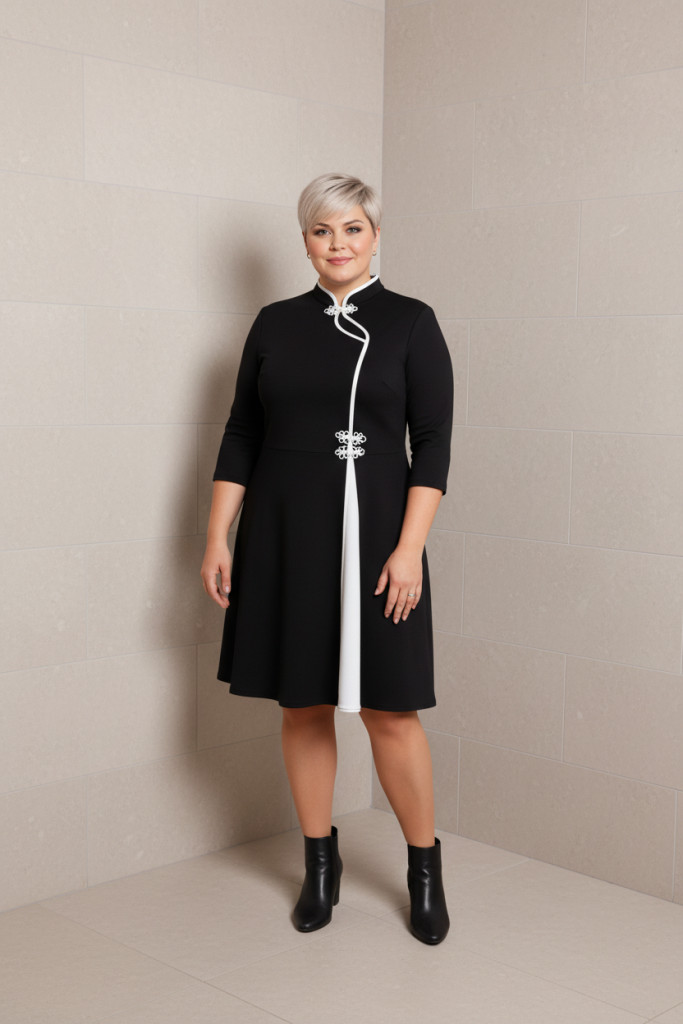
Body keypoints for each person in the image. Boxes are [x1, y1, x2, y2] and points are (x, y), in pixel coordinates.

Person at [200, 172, 454, 945]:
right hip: (286, 533)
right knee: (301, 703)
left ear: (374, 236)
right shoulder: (274, 323)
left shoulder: (411, 322)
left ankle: (423, 871)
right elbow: (241, 431)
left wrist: (409, 549)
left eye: (351, 229)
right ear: (304, 240)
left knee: (390, 712)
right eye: (321, 230)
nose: (336, 244)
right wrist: (217, 535)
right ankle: (319, 865)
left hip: (379, 537)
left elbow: (431, 444)